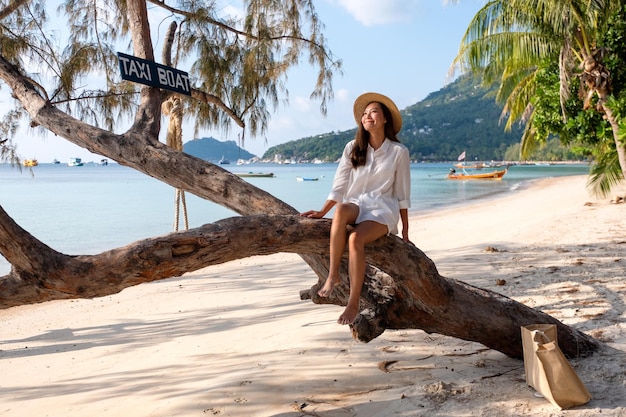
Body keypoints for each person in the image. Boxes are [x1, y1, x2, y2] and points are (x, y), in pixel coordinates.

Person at [300, 92, 411, 325]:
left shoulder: (398, 152)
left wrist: (406, 232)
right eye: (364, 114)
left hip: (382, 210)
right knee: (340, 210)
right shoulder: (353, 147)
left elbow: (402, 194)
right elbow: (340, 185)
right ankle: (333, 275)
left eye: (373, 112)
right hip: (357, 205)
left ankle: (353, 303)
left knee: (354, 240)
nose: (367, 116)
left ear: (385, 119)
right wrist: (322, 212)